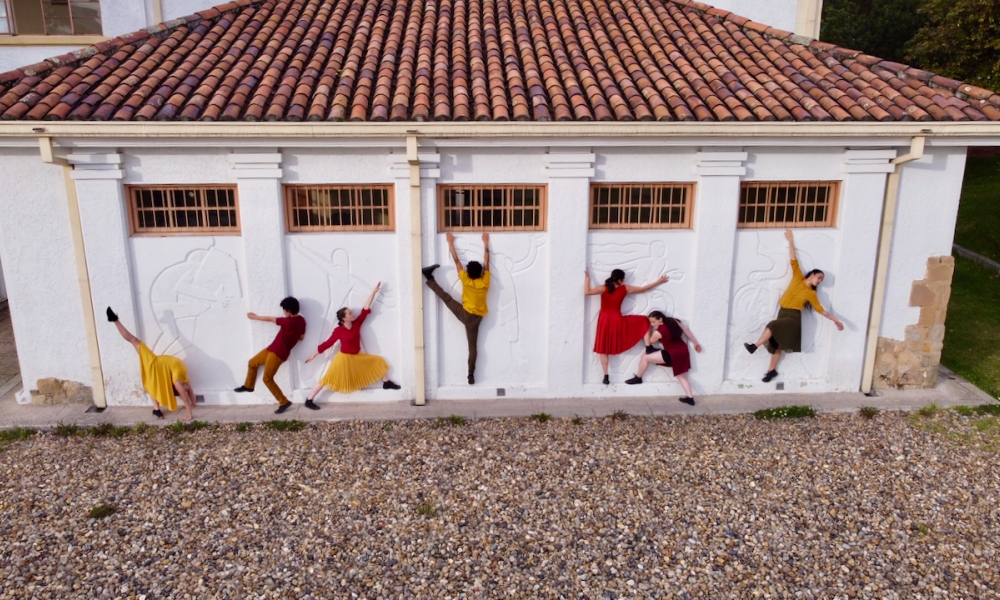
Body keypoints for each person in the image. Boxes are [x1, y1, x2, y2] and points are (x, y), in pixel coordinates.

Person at [744, 229, 844, 382]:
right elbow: (793, 258)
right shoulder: (798, 277)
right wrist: (790, 240)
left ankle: (754, 346)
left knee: (772, 325)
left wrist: (836, 320)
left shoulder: (811, 294)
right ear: (812, 274)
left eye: (822, 280)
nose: (820, 281)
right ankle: (771, 371)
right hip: (783, 312)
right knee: (777, 344)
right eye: (819, 277)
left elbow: (822, 311)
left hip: (793, 318)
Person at [302, 282, 401, 408]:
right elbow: (328, 343)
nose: (352, 314)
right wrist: (314, 354)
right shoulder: (339, 331)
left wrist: (373, 293)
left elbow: (365, 308)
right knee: (327, 379)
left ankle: (386, 383)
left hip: (356, 357)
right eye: (349, 313)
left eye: (351, 312)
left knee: (377, 360)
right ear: (344, 318)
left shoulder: (357, 324)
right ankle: (309, 400)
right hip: (343, 359)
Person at [422, 232, 490, 385]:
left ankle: (429, 278)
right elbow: (487, 262)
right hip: (476, 319)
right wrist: (486, 243)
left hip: (464, 314)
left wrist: (450, 243)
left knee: (447, 298)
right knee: (473, 347)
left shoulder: (465, 279)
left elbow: (456, 260)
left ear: (468, 273)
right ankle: (470, 374)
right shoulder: (485, 281)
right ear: (480, 273)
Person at [106, 307, 196, 421]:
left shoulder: (181, 378)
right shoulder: (180, 380)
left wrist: (192, 408)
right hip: (155, 363)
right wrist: (190, 411)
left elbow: (189, 394)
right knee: (133, 340)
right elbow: (187, 397)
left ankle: (115, 320)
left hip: (157, 363)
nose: (185, 389)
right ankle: (115, 320)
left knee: (134, 341)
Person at [585, 268, 669, 384]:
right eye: (623, 279)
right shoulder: (625, 289)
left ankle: (606, 376)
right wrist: (658, 281)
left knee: (603, 348)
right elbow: (643, 289)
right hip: (617, 320)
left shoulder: (603, 288)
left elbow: (587, 292)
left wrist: (588, 278)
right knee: (644, 320)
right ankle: (648, 347)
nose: (624, 281)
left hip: (604, 321)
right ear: (619, 280)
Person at [234, 297, 306, 414]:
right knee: (252, 362)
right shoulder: (302, 321)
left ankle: (284, 402)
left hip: (278, 353)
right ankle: (249, 386)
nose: (283, 312)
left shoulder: (287, 322)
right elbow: (302, 337)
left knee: (267, 379)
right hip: (271, 348)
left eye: (284, 310)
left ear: (288, 310)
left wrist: (254, 317)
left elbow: (270, 318)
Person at [625, 311, 702, 405]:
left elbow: (649, 341)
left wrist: (646, 329)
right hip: (682, 351)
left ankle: (638, 378)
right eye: (651, 323)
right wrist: (695, 342)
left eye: (653, 322)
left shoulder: (658, 332)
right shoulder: (673, 321)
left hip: (672, 353)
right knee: (680, 375)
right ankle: (690, 398)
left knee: (645, 357)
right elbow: (686, 330)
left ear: (660, 319)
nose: (652, 325)